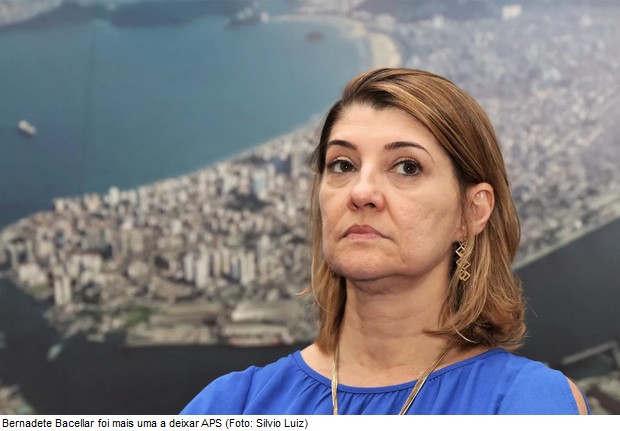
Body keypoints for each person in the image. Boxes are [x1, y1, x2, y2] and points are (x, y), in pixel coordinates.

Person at [181, 68, 590, 415]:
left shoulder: (526, 402)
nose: (361, 192)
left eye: (407, 167)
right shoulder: (233, 405)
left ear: (471, 212)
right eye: (342, 165)